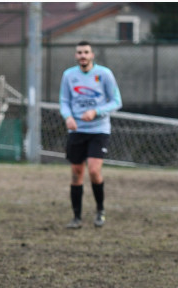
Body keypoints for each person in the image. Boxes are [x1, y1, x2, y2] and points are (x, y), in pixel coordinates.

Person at [60, 40, 122, 229]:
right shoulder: (69, 75)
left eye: (86, 52)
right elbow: (64, 100)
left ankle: (100, 210)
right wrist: (67, 116)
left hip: (99, 130)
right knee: (77, 172)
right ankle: (77, 217)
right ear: (75, 56)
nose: (83, 56)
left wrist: (96, 112)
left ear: (92, 55)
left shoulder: (104, 74)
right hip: (77, 130)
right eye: (79, 53)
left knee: (94, 170)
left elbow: (116, 101)